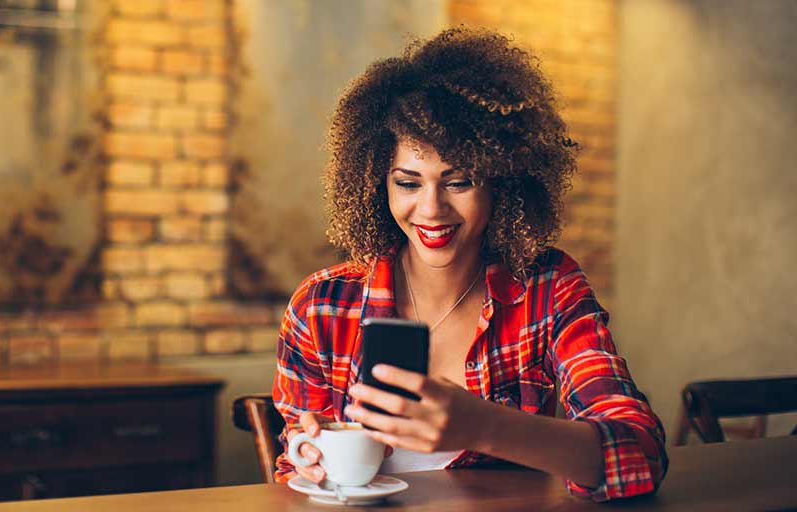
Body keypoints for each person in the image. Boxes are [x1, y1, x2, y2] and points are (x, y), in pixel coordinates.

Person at [272, 28, 667, 502]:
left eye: (458, 182)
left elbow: (640, 455)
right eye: (408, 183)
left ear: (503, 183)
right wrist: (307, 454)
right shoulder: (322, 306)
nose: (431, 209)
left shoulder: (548, 289)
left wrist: (483, 426)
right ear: (378, 184)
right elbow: (294, 472)